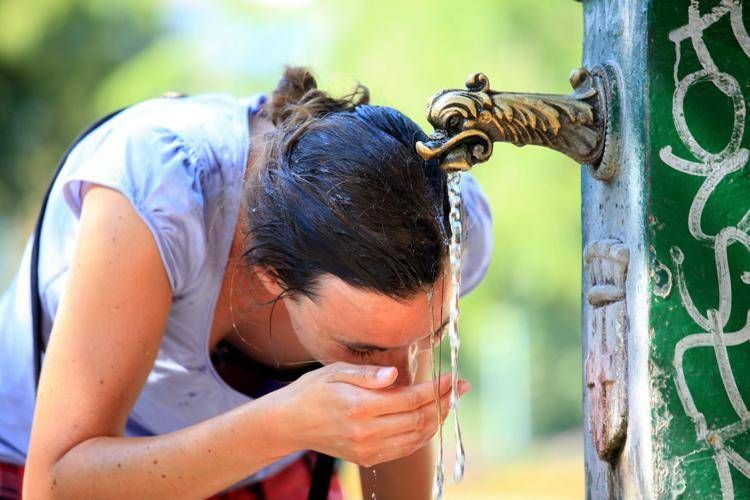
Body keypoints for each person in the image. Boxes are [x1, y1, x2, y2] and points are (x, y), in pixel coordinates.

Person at [0, 66, 493, 499]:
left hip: (267, 472)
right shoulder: (161, 195)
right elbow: (53, 486)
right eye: (361, 351)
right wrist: (283, 424)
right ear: (271, 275)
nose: (397, 385)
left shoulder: (442, 222)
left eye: (424, 339)